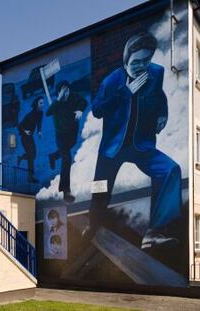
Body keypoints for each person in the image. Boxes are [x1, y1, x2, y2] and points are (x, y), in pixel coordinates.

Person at [86, 32, 182, 250]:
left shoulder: (156, 73)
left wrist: (162, 115)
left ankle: (154, 232)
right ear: (126, 59)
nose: (142, 66)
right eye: (136, 62)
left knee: (170, 170)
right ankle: (93, 225)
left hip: (141, 144)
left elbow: (160, 96)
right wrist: (125, 93)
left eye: (146, 60)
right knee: (100, 190)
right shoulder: (111, 81)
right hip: (113, 148)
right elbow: (97, 110)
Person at [46, 81, 87, 203]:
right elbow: (48, 112)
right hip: (61, 136)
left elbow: (83, 101)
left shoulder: (74, 97)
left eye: (67, 90)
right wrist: (58, 99)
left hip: (72, 134)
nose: (66, 93)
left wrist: (80, 110)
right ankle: (66, 191)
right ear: (58, 93)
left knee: (69, 147)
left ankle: (53, 156)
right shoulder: (56, 104)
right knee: (67, 158)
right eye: (63, 91)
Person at [17, 96, 44, 183]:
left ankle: (21, 157)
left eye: (43, 103)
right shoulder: (30, 115)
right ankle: (30, 177)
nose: (43, 105)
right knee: (31, 157)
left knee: (33, 155)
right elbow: (19, 125)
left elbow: (39, 122)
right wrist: (25, 131)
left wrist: (39, 131)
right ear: (36, 104)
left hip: (30, 137)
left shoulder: (40, 113)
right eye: (41, 103)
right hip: (24, 138)